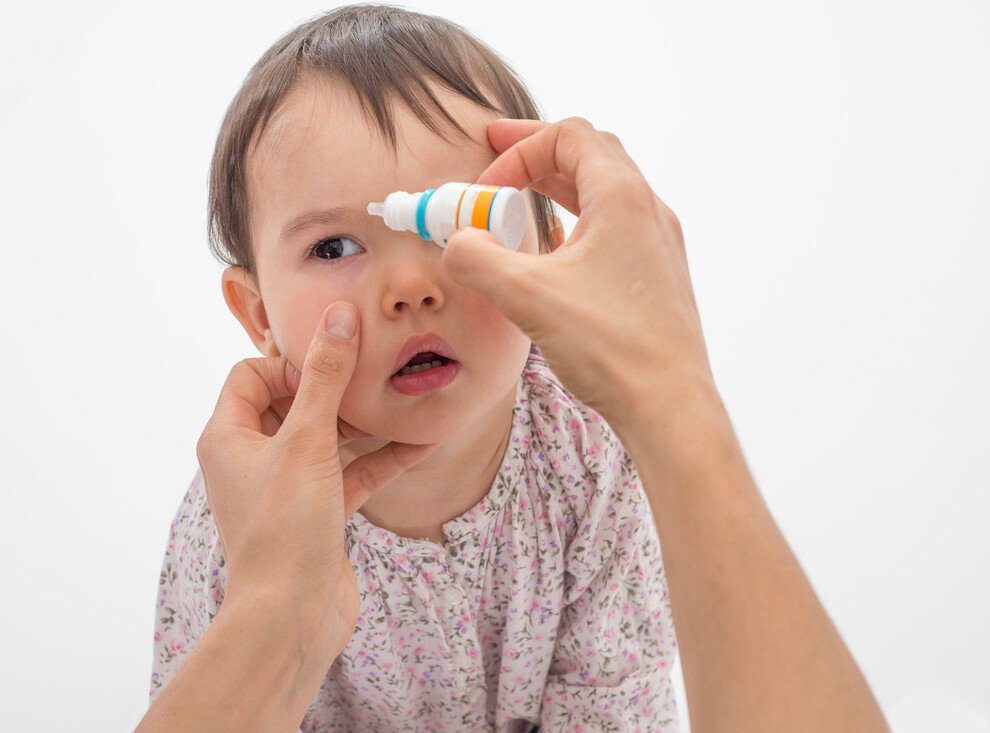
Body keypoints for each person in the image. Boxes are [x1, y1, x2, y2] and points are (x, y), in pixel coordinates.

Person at [139, 6, 890, 733]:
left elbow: (614, 700)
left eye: (460, 217)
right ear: (259, 314)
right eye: (334, 248)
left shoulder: (591, 457)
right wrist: (268, 610)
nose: (412, 287)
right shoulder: (240, 510)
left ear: (551, 257)